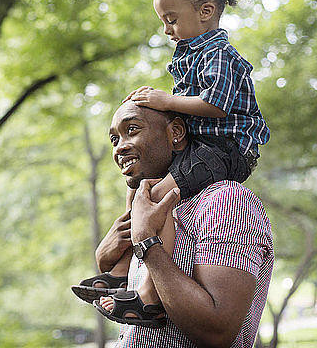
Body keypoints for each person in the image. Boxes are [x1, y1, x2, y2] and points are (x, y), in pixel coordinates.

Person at [72, 0, 270, 322]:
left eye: (171, 19)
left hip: (226, 149)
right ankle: (119, 275)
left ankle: (147, 294)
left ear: (206, 12)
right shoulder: (190, 54)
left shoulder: (220, 55)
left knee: (160, 194)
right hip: (200, 146)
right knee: (143, 188)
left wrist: (164, 101)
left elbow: (215, 104)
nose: (166, 30)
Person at [92, 101, 274, 347]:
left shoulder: (225, 200)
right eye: (114, 139)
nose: (119, 148)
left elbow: (217, 333)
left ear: (175, 132)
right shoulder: (153, 207)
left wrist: (146, 240)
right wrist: (105, 256)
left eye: (132, 130)